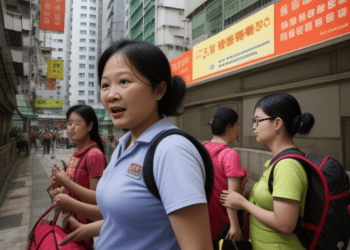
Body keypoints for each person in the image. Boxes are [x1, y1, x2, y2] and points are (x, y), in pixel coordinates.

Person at [59, 40, 213, 250]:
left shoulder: (172, 151)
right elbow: (130, 213)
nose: (111, 94)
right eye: (105, 85)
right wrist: (93, 229)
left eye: (123, 81)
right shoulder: (124, 145)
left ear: (158, 90)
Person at [220, 93, 315, 250]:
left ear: (277, 123)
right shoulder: (278, 161)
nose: (254, 126)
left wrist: (242, 203)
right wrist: (249, 196)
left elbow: (285, 224)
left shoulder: (287, 166)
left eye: (258, 120)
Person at [50, 105, 106, 249]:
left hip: (86, 228)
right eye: (69, 123)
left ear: (90, 126)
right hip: (72, 222)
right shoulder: (77, 153)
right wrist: (58, 188)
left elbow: (96, 200)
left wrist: (66, 183)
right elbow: (72, 192)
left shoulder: (94, 155)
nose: (71, 128)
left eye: (77, 123)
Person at [203, 107, 249, 246]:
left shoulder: (203, 148)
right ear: (229, 127)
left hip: (205, 219)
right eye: (237, 125)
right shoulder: (229, 155)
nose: (239, 129)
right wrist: (235, 225)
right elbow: (231, 196)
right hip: (223, 222)